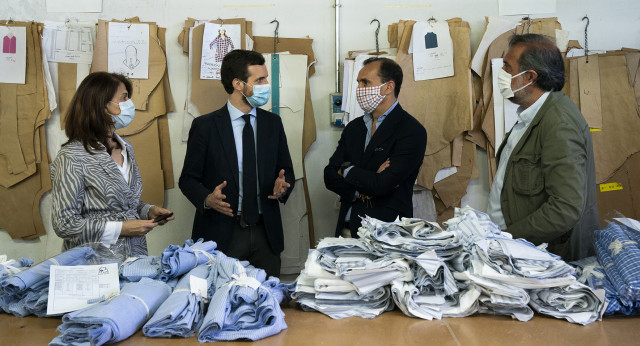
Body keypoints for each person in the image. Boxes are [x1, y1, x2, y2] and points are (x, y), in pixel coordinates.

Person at [179, 49, 294, 277]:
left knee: (269, 302)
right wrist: (207, 199)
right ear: (238, 84)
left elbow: (286, 171)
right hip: (222, 233)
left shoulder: (273, 124)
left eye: (265, 78)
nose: (266, 84)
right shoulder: (205, 127)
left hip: (266, 233)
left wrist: (282, 187)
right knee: (222, 303)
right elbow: (188, 179)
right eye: (259, 80)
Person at [486, 34, 598, 261]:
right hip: (516, 248)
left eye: (508, 66)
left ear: (529, 77)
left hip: (544, 256)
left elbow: (565, 208)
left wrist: (508, 237)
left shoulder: (558, 124)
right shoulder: (533, 115)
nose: (502, 73)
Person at [51, 72, 174, 257]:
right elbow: (65, 224)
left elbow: (124, 204)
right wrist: (121, 229)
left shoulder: (126, 148)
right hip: (92, 264)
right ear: (101, 104)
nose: (129, 104)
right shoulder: (72, 156)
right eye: (123, 98)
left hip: (134, 260)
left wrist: (148, 211)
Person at [324, 57, 427, 238]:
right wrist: (364, 184)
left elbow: (383, 185)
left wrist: (346, 169)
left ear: (388, 87)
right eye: (358, 83)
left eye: (365, 83)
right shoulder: (354, 128)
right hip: (348, 227)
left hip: (388, 232)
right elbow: (329, 175)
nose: (359, 89)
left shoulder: (411, 131)